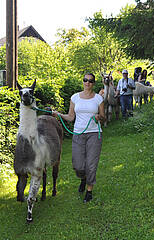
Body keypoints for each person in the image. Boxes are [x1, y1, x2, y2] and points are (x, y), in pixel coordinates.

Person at [52, 73, 105, 203]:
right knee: (78, 165)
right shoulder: (75, 97)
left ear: (94, 83)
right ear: (83, 82)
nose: (88, 83)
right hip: (78, 134)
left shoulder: (98, 99)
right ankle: (83, 178)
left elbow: (103, 117)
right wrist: (59, 115)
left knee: (91, 165)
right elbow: (71, 117)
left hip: (94, 133)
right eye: (85, 80)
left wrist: (99, 117)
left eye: (91, 81)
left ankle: (89, 191)